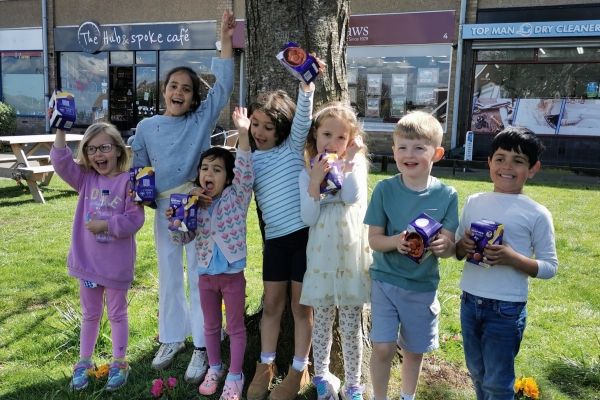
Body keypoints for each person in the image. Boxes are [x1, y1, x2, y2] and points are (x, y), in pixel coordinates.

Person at [129, 9, 235, 383]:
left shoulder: (199, 121)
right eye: (173, 86)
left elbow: (222, 86)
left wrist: (224, 40)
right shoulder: (146, 127)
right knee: (170, 275)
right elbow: (138, 168)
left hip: (197, 208)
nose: (179, 92)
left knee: (200, 275)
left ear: (193, 100)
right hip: (163, 211)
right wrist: (139, 191)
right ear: (164, 91)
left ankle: (204, 344)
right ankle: (172, 337)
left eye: (186, 89)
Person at [455, 127, 558, 400]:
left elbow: (550, 267)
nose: (507, 167)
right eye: (500, 158)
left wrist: (514, 258)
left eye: (518, 161)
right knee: (476, 371)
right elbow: (457, 249)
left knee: (498, 382)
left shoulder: (536, 213)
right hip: (469, 301)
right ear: (489, 162)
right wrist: (462, 246)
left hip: (506, 309)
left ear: (533, 169)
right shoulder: (474, 202)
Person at [364, 111, 459, 400]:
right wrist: (396, 241)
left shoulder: (447, 195)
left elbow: (451, 245)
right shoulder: (384, 189)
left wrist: (445, 247)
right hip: (384, 282)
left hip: (421, 286)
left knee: (414, 350)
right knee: (382, 346)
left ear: (437, 153)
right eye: (403, 147)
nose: (410, 154)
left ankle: (407, 396)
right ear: (394, 152)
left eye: (419, 147)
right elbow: (374, 240)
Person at [237, 76, 320, 400]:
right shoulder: (249, 158)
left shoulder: (290, 147)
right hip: (274, 243)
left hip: (302, 240)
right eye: (255, 124)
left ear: (281, 130)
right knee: (272, 304)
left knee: (301, 308)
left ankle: (300, 367)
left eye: (267, 127)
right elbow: (241, 174)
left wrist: (307, 86)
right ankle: (265, 365)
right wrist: (243, 135)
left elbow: (303, 117)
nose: (259, 132)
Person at [50, 123, 145, 391]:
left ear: (117, 150)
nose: (98, 154)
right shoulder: (85, 179)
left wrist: (107, 225)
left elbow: (135, 219)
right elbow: (60, 161)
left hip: (115, 267)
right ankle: (84, 362)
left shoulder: (129, 182)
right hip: (88, 264)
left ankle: (119, 361)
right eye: (91, 150)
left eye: (104, 147)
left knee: (117, 313)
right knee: (90, 314)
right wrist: (60, 129)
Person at [169, 107, 253, 400]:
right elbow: (183, 237)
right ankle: (215, 368)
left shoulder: (236, 196)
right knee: (210, 326)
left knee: (235, 326)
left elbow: (244, 168)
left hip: (232, 276)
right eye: (205, 168)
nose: (209, 173)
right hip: (205, 276)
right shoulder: (193, 203)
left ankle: (235, 375)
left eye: (217, 170)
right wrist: (177, 220)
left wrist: (243, 132)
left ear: (228, 178)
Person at [298, 103, 372, 400]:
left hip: (351, 254)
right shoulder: (307, 170)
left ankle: (354, 384)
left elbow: (352, 195)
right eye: (326, 134)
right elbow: (309, 217)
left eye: (341, 138)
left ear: (351, 140)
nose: (333, 143)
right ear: (315, 135)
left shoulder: (357, 164)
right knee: (323, 319)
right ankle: (321, 377)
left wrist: (351, 160)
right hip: (322, 254)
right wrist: (316, 181)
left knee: (352, 323)